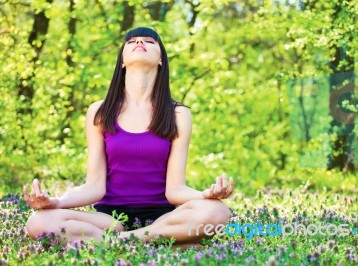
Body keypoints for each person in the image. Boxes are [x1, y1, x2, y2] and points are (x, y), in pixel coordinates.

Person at [23, 27, 234, 245]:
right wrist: (56, 202)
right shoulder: (100, 112)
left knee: (217, 212)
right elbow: (94, 186)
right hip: (109, 219)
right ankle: (160, 242)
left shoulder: (179, 114)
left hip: (162, 217)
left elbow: (175, 190)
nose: (139, 42)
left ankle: (117, 242)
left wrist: (206, 195)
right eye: (131, 41)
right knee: (38, 222)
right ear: (122, 60)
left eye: (149, 41)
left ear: (161, 59)